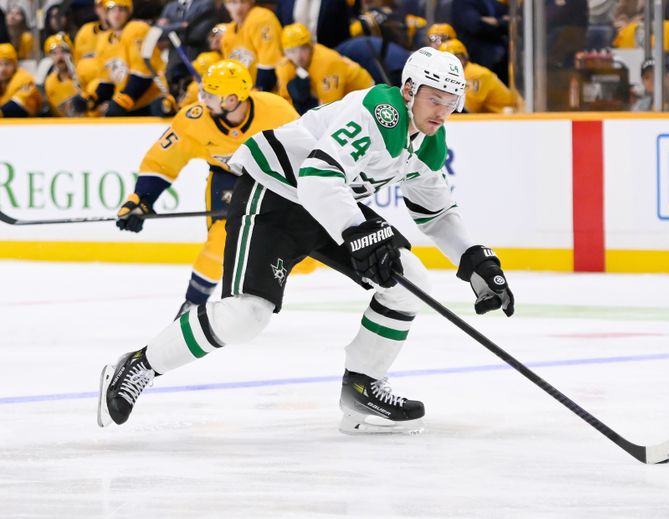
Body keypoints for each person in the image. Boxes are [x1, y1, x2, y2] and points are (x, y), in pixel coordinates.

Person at [98, 47, 515, 435]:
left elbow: (437, 211)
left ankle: (362, 390)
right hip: (276, 193)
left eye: (451, 101)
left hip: (330, 202)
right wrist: (357, 230)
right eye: (434, 98)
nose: (443, 111)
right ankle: (139, 365)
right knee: (246, 316)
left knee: (411, 283)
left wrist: (476, 260)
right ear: (408, 90)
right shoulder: (380, 110)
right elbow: (317, 174)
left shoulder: (428, 139)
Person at [115, 59, 299, 317]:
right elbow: (161, 161)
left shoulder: (278, 112)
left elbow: (303, 153)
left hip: (271, 181)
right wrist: (142, 199)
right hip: (227, 179)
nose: (203, 99)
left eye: (211, 95)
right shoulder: (194, 120)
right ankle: (192, 305)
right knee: (222, 241)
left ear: (232, 99)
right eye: (205, 92)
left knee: (286, 249)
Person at [73, 0, 173, 117]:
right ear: (106, 12)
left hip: (152, 99)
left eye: (121, 9)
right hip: (130, 103)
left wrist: (123, 101)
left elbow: (143, 76)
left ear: (128, 13)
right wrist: (93, 98)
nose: (116, 14)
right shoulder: (104, 40)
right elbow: (108, 83)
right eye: (112, 9)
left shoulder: (137, 29)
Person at [276, 23, 373, 115]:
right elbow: (284, 101)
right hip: (332, 97)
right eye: (291, 51)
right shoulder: (284, 64)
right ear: (284, 52)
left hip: (365, 95)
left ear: (311, 46)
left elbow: (331, 109)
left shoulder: (327, 62)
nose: (298, 56)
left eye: (303, 48)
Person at [220, 0, 283, 92]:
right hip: (244, 92)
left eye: (243, 2)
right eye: (233, 2)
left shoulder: (261, 18)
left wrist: (258, 90)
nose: (238, 7)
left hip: (272, 94)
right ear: (225, 4)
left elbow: (270, 64)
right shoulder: (229, 32)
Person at [439, 38, 513, 113]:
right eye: (446, 60)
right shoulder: (460, 74)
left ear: (465, 58)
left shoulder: (475, 75)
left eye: (457, 58)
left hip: (509, 119)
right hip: (494, 119)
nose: (452, 64)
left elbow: (464, 111)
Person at [43, 32, 82, 116]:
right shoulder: (49, 82)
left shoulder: (82, 73)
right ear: (49, 56)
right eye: (54, 53)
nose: (59, 57)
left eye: (64, 51)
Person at [0, 43, 41, 117]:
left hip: (25, 126)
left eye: (7, 64)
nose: (2, 69)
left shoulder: (25, 79)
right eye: (0, 64)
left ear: (15, 64)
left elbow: (18, 107)